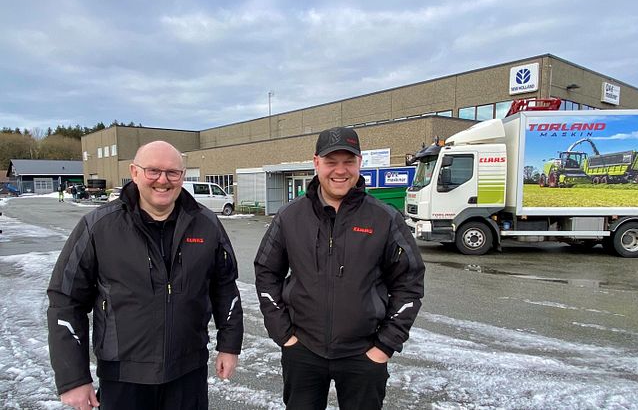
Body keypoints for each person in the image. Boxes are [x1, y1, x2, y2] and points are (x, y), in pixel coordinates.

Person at [47, 141, 244, 410]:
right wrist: (72, 378)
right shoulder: (99, 227)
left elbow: (225, 288)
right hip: (123, 377)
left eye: (172, 173)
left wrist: (229, 345)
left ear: (182, 176)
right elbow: (65, 301)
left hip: (188, 373)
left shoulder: (206, 224)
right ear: (135, 172)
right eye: (153, 171)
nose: (163, 180)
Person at [254, 127, 425, 409]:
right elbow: (266, 273)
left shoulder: (384, 219)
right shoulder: (290, 217)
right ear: (316, 163)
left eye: (348, 161)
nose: (340, 171)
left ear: (359, 163)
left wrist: (384, 346)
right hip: (303, 352)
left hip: (364, 354)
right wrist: (283, 334)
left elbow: (410, 283)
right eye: (331, 162)